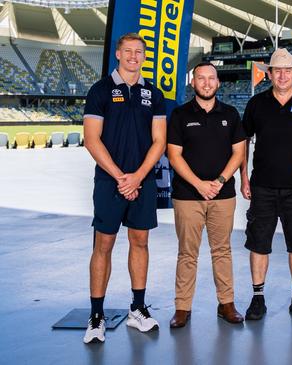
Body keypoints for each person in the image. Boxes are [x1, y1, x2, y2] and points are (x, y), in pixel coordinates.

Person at [82, 33, 166, 343]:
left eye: (139, 52)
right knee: (102, 245)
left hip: (142, 182)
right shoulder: (100, 90)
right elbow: (92, 140)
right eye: (128, 51)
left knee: (140, 242)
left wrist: (139, 176)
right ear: (118, 53)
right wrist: (121, 177)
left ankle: (138, 309)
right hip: (109, 181)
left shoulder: (153, 94)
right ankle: (96, 316)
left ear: (144, 56)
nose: (133, 56)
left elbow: (159, 141)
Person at [240, 48, 292, 320]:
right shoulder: (257, 104)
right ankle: (258, 297)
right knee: (258, 243)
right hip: (262, 185)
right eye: (278, 70)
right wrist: (243, 176)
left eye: (288, 70)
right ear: (270, 74)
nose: (283, 75)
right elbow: (243, 144)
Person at [166, 62, 247, 328]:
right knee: (187, 253)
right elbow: (174, 155)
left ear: (218, 82)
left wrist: (220, 180)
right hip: (188, 196)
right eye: (201, 78)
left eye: (211, 78)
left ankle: (226, 304)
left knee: (222, 251)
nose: (207, 83)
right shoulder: (179, 115)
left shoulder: (231, 114)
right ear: (193, 82)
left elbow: (239, 153)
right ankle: (182, 307)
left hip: (223, 196)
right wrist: (199, 184)